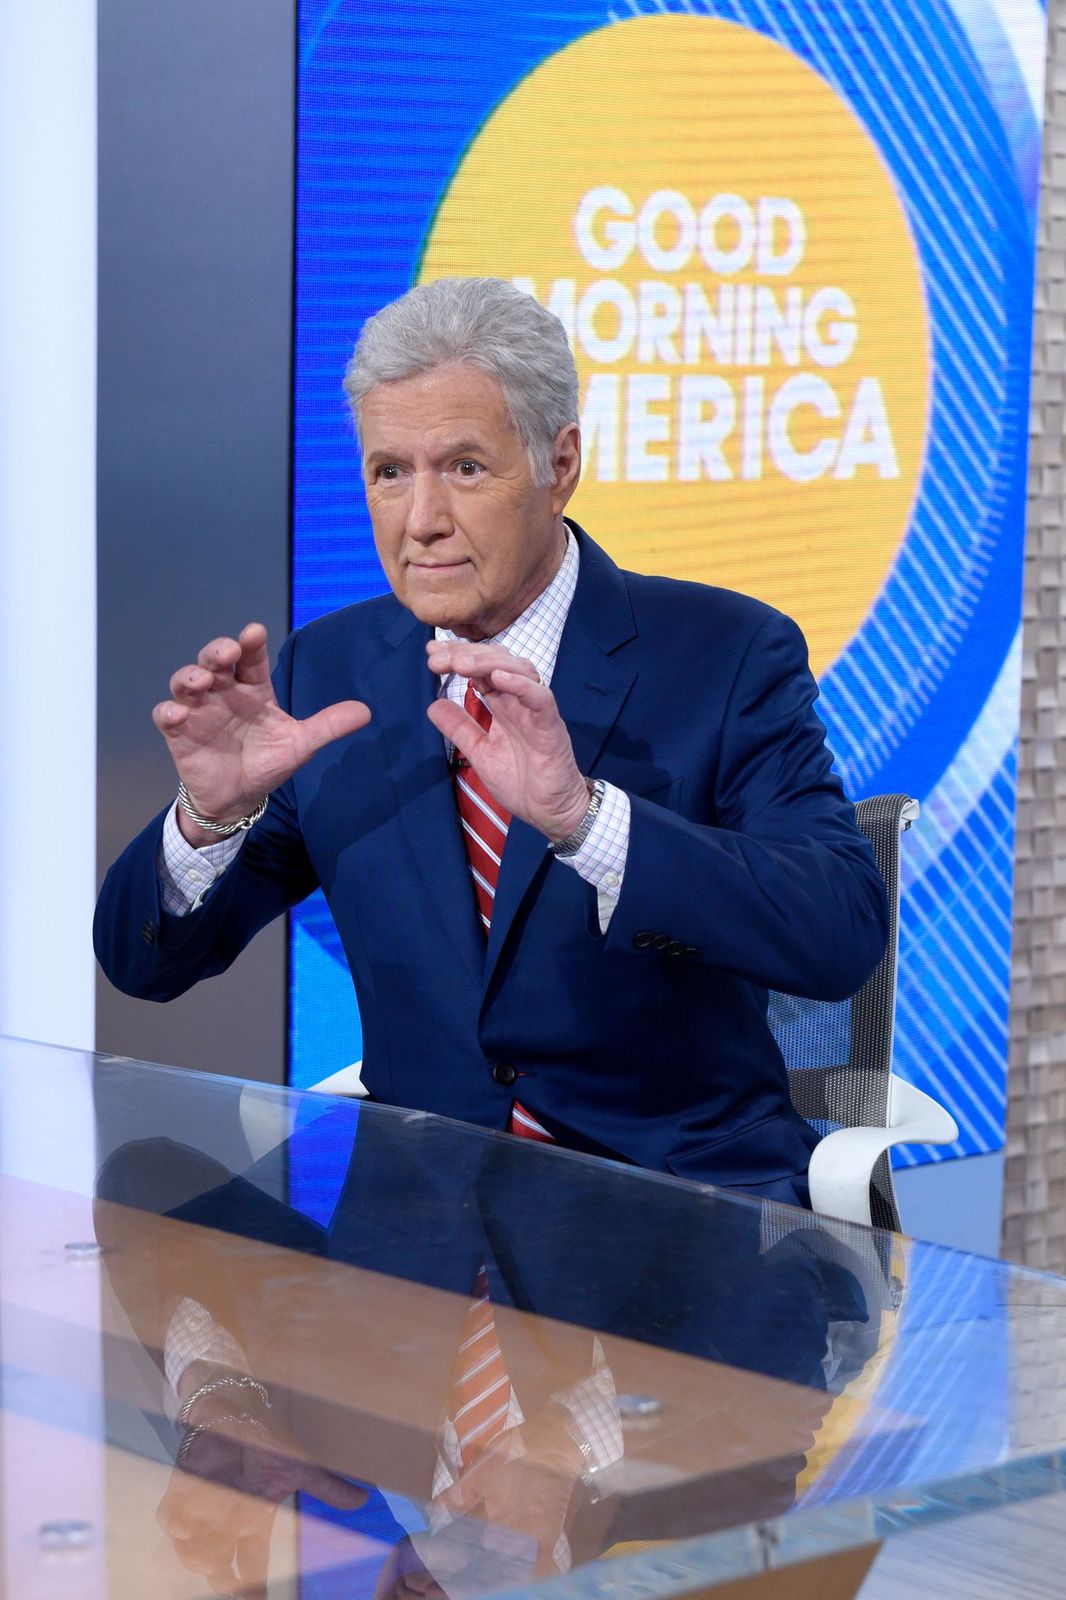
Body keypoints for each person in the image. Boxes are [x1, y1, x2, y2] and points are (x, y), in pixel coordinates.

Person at [94, 275, 888, 1208]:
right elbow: (145, 967)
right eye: (390, 472)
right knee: (134, 1228)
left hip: (670, 1218)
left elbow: (839, 934)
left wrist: (583, 821)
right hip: (416, 1230)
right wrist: (209, 819)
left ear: (561, 464)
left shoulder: (723, 656)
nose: (420, 520)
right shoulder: (333, 671)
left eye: (464, 467)